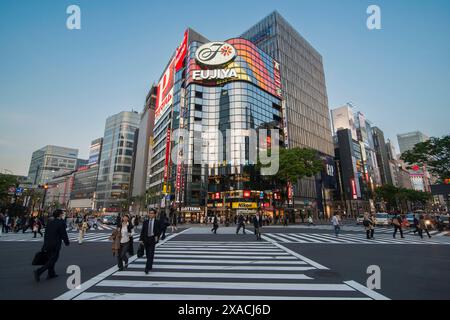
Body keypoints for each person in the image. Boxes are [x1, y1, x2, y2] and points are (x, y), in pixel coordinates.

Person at [33, 209, 70, 282]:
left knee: (50, 258)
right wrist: (66, 242)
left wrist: (45, 243)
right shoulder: (60, 223)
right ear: (60, 215)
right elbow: (63, 234)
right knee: (53, 259)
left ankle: (51, 273)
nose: (63, 215)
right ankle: (39, 271)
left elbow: (46, 233)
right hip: (55, 244)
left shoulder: (50, 222)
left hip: (47, 243)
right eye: (62, 214)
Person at [139, 209, 161, 274]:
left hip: (152, 239)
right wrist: (141, 239)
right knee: (148, 254)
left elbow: (159, 230)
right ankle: (150, 265)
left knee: (151, 254)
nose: (151, 214)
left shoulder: (157, 222)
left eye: (152, 213)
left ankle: (147, 268)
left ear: (155, 214)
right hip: (146, 239)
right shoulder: (145, 222)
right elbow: (143, 231)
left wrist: (157, 236)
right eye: (150, 213)